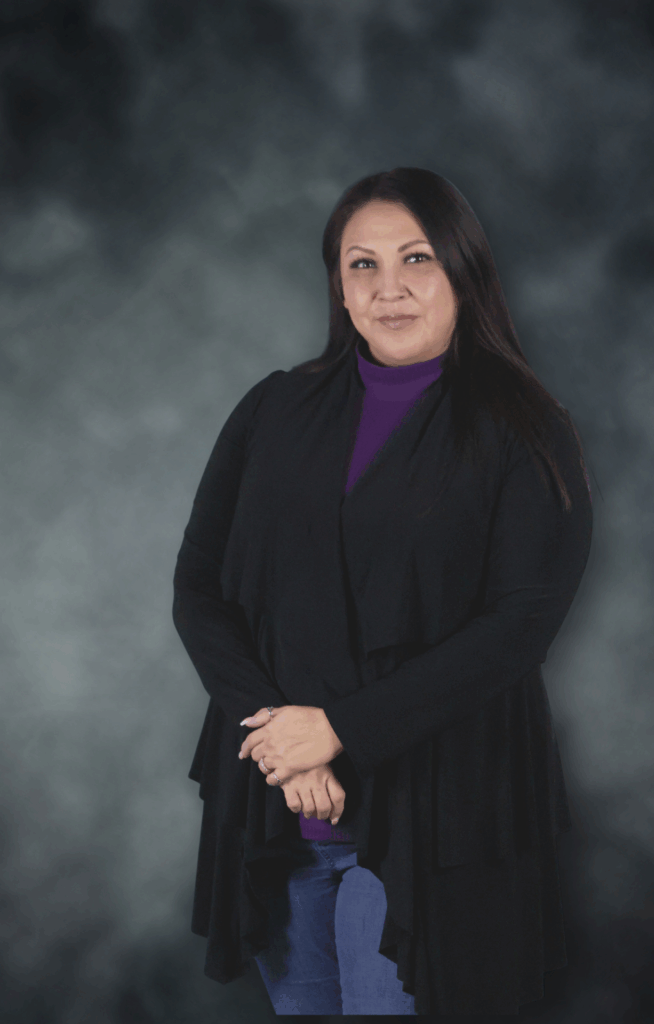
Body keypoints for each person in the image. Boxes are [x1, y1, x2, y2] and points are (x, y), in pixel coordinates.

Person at [172, 166, 594, 1015]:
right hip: (281, 808)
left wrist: (337, 731)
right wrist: (279, 739)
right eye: (361, 264)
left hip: (437, 817)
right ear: (337, 283)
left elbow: (518, 626)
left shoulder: (523, 427)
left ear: (462, 270)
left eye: (416, 259)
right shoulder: (272, 408)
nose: (387, 287)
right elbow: (198, 586)